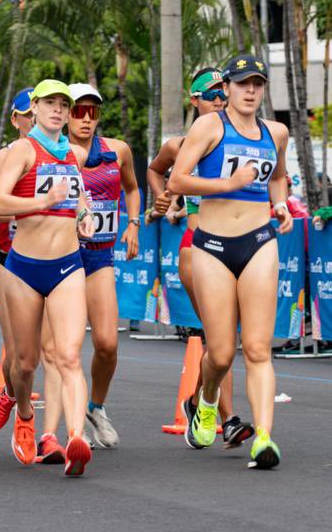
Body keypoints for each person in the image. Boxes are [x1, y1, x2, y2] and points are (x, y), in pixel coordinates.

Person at [168, 55, 292, 469]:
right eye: (242, 84)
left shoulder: (276, 132)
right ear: (227, 88)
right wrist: (228, 183)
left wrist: (281, 205)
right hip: (213, 246)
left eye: (257, 83)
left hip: (259, 242)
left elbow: (278, 177)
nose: (250, 91)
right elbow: (177, 180)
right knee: (221, 354)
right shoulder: (209, 127)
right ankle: (205, 403)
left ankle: (264, 438)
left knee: (257, 348)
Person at [0, 79, 95, 477]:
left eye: (63, 105)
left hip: (67, 264)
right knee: (25, 362)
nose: (57, 110)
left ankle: (76, 438)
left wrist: (84, 215)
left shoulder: (73, 154)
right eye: (50, 103)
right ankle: (23, 413)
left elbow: (78, 195)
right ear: (34, 108)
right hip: (25, 268)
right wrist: (42, 201)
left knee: (69, 356)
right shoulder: (22, 150)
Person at [148, 67, 254, 448]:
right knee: (217, 334)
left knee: (224, 339)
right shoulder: (180, 145)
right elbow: (155, 170)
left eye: (223, 93)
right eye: (212, 95)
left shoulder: (240, 140)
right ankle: (229, 419)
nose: (220, 101)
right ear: (194, 100)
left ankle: (196, 401)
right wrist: (162, 198)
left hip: (235, 245)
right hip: (196, 245)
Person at [41, 83, 140, 450]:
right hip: (62, 258)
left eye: (92, 112)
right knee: (51, 352)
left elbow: (132, 188)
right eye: (78, 111)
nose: (85, 119)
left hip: (99, 256)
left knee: (107, 343)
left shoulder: (118, 150)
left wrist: (134, 223)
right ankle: (60, 421)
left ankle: (95, 408)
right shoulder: (53, 153)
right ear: (66, 114)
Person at [0, 87, 64, 464]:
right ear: (18, 119)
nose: (34, 120)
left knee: (54, 353)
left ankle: (50, 434)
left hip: (55, 261)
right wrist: (23, 210)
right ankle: (18, 403)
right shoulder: (6, 156)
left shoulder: (63, 155)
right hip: (11, 261)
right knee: (21, 360)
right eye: (27, 114)